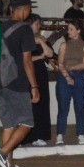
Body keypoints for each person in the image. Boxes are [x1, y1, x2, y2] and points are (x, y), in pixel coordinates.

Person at [0, 0, 39, 167]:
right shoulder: (24, 29)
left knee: (9, 125)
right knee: (27, 123)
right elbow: (27, 60)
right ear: (27, 9)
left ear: (11, 8)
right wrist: (34, 86)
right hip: (17, 82)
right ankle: (2, 154)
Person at [53, 18, 84, 144]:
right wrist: (67, 76)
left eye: (71, 29)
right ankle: (60, 134)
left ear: (78, 31)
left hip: (80, 76)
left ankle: (81, 134)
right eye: (68, 29)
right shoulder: (64, 45)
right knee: (63, 107)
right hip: (64, 77)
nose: (68, 31)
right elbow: (60, 63)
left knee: (80, 107)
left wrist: (72, 68)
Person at [20, 13, 54, 146]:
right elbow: (23, 59)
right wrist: (40, 57)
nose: (39, 26)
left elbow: (50, 54)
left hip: (40, 72)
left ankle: (40, 135)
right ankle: (27, 136)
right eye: (36, 24)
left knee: (42, 102)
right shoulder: (24, 38)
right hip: (28, 74)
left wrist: (41, 41)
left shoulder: (40, 38)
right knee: (29, 105)